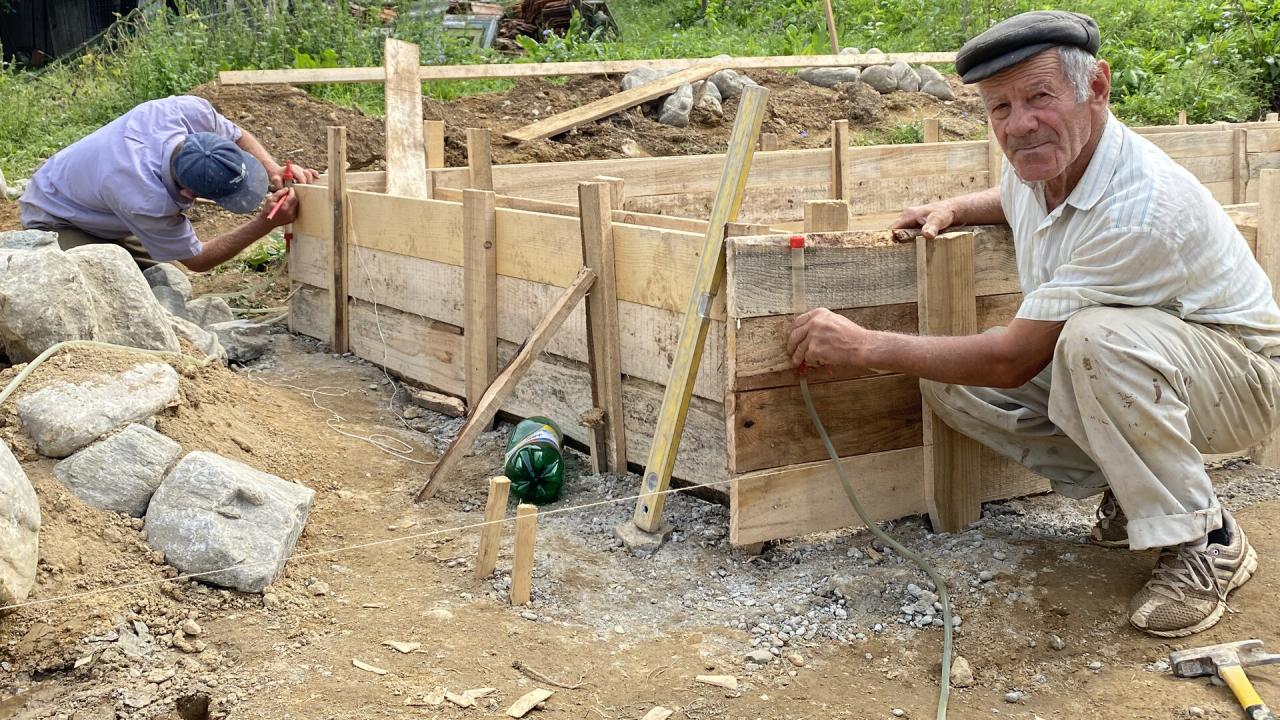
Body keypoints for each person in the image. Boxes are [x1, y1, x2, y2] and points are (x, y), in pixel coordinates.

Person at [788, 10, 1280, 638]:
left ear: (1096, 87)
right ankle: (1133, 493)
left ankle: (1205, 537)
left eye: (1040, 97)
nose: (1019, 124)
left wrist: (864, 346)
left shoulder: (1142, 209)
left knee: (1094, 339)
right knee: (951, 382)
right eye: (1000, 107)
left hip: (1241, 376)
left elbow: (1012, 360)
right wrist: (957, 206)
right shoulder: (1045, 161)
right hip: (1161, 362)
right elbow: (1013, 199)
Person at [18, 95, 319, 272]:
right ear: (189, 194)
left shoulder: (188, 113)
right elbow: (197, 259)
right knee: (119, 287)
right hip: (57, 215)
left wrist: (273, 169)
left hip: (100, 199)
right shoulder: (144, 198)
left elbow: (237, 134)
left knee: (168, 278)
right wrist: (265, 224)